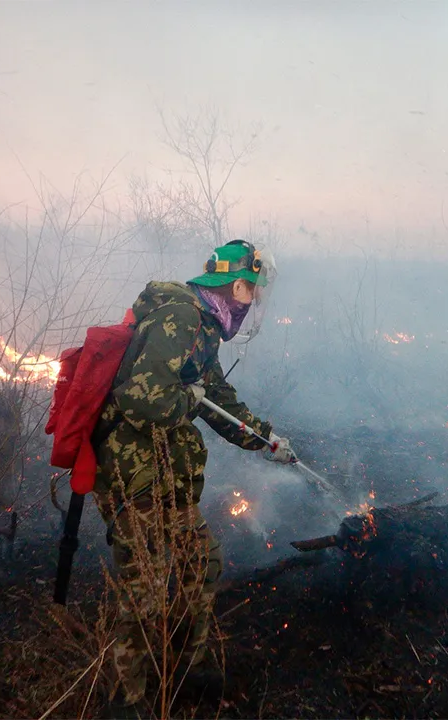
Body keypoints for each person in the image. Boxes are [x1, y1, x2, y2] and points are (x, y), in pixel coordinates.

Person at [91, 239, 294, 708]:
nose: (254, 304)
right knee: (144, 593)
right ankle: (127, 703)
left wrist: (267, 440)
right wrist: (189, 395)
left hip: (166, 475)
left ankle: (188, 669)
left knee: (201, 562)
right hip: (134, 476)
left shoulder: (202, 327)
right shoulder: (180, 318)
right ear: (236, 285)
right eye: (253, 294)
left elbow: (217, 400)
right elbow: (141, 399)